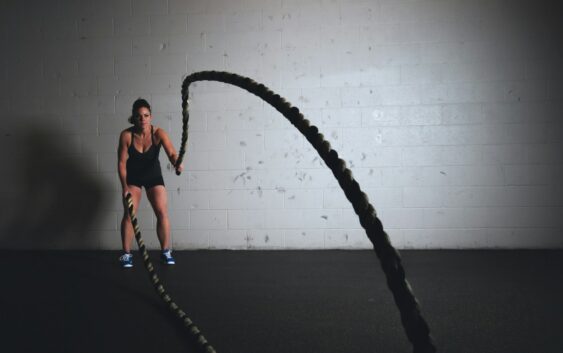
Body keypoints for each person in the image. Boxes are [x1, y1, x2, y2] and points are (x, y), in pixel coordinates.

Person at [117, 98, 183, 268]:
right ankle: (126, 254)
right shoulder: (126, 135)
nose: (143, 119)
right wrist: (124, 187)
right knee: (129, 214)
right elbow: (122, 163)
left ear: (151, 117)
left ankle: (165, 251)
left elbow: (172, 153)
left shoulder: (158, 133)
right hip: (134, 178)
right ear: (134, 117)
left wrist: (177, 162)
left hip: (153, 176)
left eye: (146, 115)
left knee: (162, 212)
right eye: (139, 116)